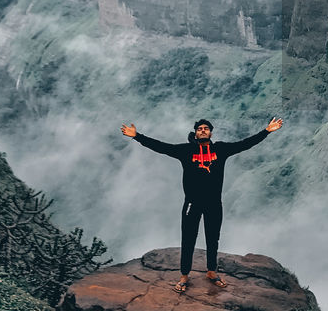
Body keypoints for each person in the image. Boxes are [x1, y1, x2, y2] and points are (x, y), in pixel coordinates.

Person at [120, 116, 282, 293]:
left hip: (214, 203)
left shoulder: (221, 149)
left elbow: (245, 144)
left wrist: (266, 131)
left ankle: (211, 272)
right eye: (199, 129)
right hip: (192, 203)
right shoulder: (186, 151)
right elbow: (161, 147)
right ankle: (184, 276)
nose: (203, 130)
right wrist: (137, 136)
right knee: (188, 239)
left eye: (206, 128)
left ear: (211, 132)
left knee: (213, 238)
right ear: (196, 133)